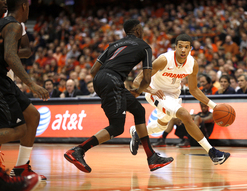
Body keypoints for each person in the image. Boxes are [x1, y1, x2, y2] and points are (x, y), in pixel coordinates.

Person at [64, 19, 173, 173]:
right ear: (137, 31)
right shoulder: (145, 46)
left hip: (102, 79)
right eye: (141, 29)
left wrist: (106, 84)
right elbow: (147, 78)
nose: (143, 31)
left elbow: (94, 70)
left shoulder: (114, 45)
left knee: (138, 110)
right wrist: (137, 90)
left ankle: (152, 157)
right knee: (117, 127)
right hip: (113, 81)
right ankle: (78, 150)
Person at [130, 34, 230, 165]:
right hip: (155, 93)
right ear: (175, 47)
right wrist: (150, 90)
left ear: (190, 49)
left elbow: (194, 90)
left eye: (186, 47)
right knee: (184, 114)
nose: (183, 50)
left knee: (161, 125)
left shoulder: (192, 64)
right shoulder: (164, 60)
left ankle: (136, 132)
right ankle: (212, 152)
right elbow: (137, 81)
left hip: (172, 96)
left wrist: (214, 105)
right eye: (180, 46)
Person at [0, 0, 49, 180]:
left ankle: (21, 169)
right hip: (1, 79)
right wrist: (32, 84)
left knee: (33, 116)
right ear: (24, 6)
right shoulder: (12, 25)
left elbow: (19, 52)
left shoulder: (10, 24)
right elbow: (10, 56)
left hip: (5, 77)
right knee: (19, 129)